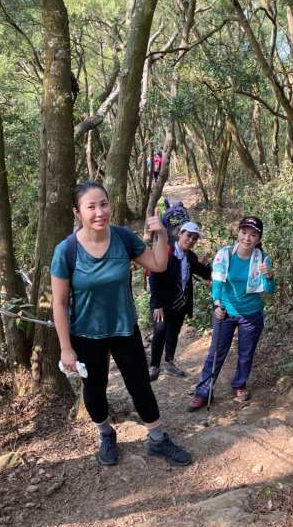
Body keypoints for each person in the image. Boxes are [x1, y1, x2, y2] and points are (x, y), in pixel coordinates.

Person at [50, 181, 192, 467]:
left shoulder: (123, 239)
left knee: (140, 385)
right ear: (77, 212)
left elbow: (158, 264)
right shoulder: (66, 252)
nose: (99, 212)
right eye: (91, 206)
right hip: (86, 334)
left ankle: (157, 439)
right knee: (94, 389)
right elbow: (60, 304)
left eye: (103, 204)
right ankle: (105, 434)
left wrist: (161, 233)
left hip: (125, 328)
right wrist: (66, 348)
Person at [187, 216, 275, 410]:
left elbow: (269, 290)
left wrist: (269, 275)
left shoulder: (262, 259)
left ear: (259, 239)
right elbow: (217, 283)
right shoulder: (225, 255)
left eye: (253, 235)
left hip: (251, 314)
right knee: (216, 353)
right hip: (225, 311)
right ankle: (203, 391)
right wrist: (217, 304)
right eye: (244, 233)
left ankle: (240, 384)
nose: (247, 238)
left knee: (246, 353)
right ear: (238, 233)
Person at [148, 221, 211, 381]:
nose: (190, 240)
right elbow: (154, 277)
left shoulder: (190, 256)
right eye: (188, 236)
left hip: (180, 303)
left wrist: (213, 268)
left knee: (173, 333)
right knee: (160, 331)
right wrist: (157, 305)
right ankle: (154, 366)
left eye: (194, 238)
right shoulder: (167, 251)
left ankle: (169, 363)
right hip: (162, 303)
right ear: (180, 234)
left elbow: (202, 272)